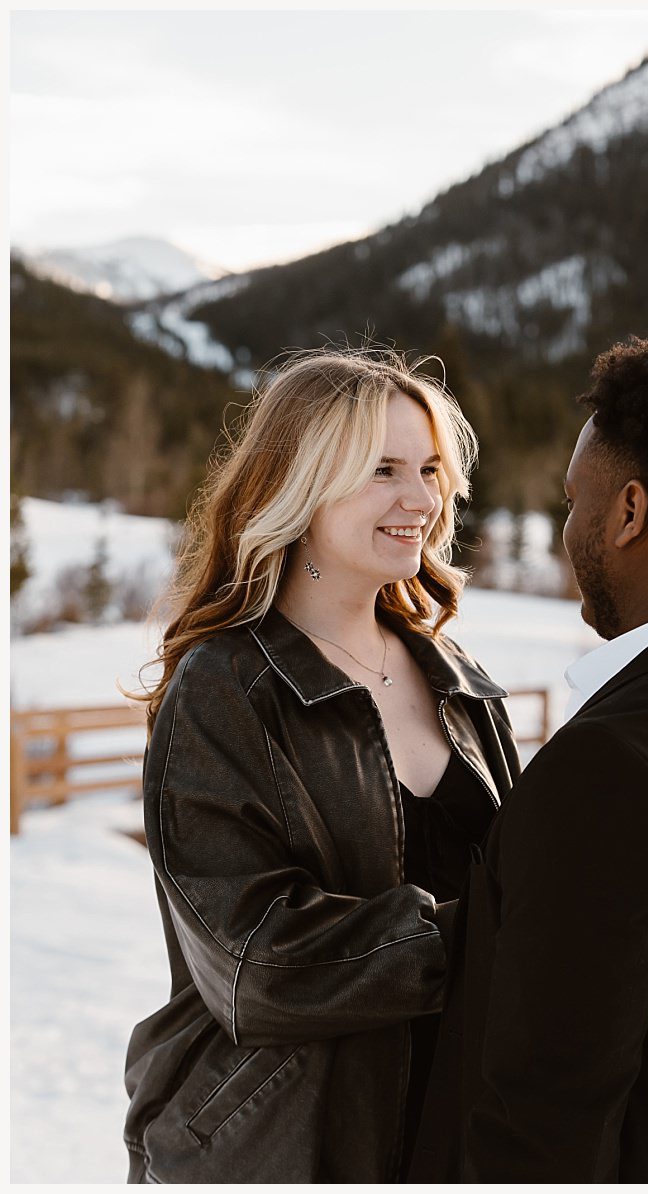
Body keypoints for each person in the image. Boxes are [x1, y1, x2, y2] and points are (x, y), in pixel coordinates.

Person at [122, 349, 520, 1183]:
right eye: (382, 470)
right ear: (299, 487)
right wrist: (488, 937)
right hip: (284, 1151)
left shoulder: (457, 679)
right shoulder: (225, 687)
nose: (421, 499)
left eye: (429, 469)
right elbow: (255, 964)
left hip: (455, 1137)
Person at [410, 330, 648, 1181]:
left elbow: (544, 1124)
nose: (566, 528)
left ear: (627, 512)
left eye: (572, 500)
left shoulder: (609, 770)